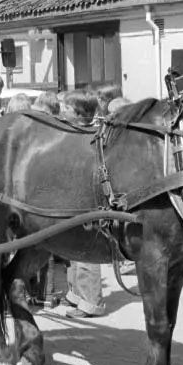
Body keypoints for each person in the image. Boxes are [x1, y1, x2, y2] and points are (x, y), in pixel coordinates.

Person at [57, 90, 105, 318]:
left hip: (86, 199)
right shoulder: (74, 132)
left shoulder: (90, 136)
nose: (61, 110)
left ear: (78, 113)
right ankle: (76, 294)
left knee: (87, 248)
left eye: (65, 107)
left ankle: (90, 302)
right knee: (74, 248)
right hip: (74, 197)